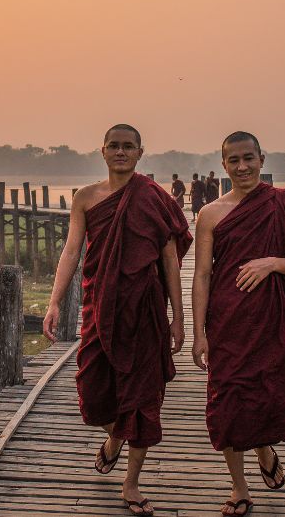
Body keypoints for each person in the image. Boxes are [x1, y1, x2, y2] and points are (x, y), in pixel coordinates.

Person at [44, 124, 192, 516]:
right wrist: (55, 301)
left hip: (144, 310)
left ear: (141, 153)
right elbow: (72, 251)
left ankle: (131, 484)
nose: (121, 152)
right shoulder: (86, 198)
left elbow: (170, 263)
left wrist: (178, 318)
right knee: (94, 392)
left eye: (129, 146)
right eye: (114, 146)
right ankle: (113, 439)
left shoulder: (154, 199)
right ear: (103, 151)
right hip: (99, 306)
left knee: (143, 398)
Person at [190, 131, 285, 516]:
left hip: (272, 321)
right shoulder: (210, 214)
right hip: (228, 320)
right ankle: (239, 489)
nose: (242, 166)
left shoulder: (282, 205)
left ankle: (265, 448)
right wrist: (198, 333)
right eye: (233, 160)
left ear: (262, 159)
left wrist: (271, 263)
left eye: (248, 158)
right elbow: (202, 275)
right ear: (223, 165)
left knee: (267, 393)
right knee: (226, 402)